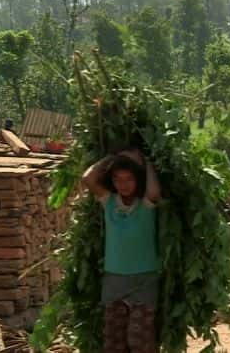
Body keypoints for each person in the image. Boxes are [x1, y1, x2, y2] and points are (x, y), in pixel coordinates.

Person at [82, 148, 161, 353]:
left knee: (140, 340)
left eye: (129, 179)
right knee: (113, 343)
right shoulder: (109, 202)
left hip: (143, 281)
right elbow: (88, 178)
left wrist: (145, 161)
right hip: (114, 281)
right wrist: (114, 156)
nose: (123, 184)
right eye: (118, 179)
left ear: (138, 180)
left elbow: (154, 191)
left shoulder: (145, 205)